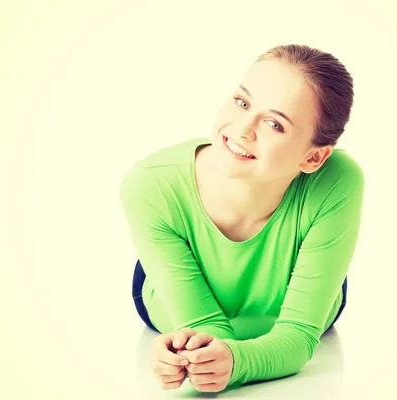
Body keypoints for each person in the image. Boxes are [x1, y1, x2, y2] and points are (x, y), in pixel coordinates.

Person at [119, 44, 365, 393]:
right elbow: (205, 331)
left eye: (274, 124)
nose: (241, 129)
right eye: (242, 102)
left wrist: (234, 361)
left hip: (287, 290)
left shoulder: (338, 179)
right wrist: (196, 355)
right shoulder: (149, 184)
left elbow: (297, 335)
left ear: (314, 158)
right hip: (173, 292)